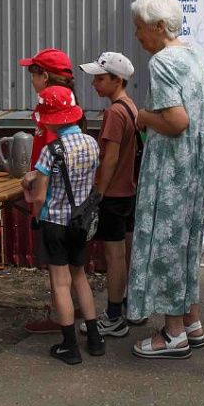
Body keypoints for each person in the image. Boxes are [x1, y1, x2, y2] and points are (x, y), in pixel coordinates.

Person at [126, 0, 204, 359]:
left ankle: (173, 333)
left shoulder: (161, 62)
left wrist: (143, 116)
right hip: (196, 164)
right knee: (187, 241)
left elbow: (176, 121)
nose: (137, 35)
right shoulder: (194, 55)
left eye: (140, 27)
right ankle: (192, 322)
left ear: (159, 26)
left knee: (164, 245)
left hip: (171, 167)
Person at [29, 85, 104, 364]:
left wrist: (36, 214)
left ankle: (70, 346)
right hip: (80, 222)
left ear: (50, 120)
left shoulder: (51, 151)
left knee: (61, 284)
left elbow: (40, 195)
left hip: (55, 222)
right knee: (80, 276)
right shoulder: (92, 143)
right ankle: (95, 339)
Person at [79, 51, 140, 337]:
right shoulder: (130, 106)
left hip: (114, 195)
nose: (94, 84)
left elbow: (111, 158)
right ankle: (130, 306)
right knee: (126, 253)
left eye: (100, 79)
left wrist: (98, 194)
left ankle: (114, 316)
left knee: (114, 256)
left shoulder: (115, 112)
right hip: (129, 191)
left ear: (118, 80)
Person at [19, 48, 79, 335]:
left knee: (58, 268)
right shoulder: (67, 100)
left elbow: (55, 156)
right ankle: (72, 310)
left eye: (33, 74)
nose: (31, 81)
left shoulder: (52, 108)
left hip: (53, 201)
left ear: (44, 76)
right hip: (69, 202)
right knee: (73, 267)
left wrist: (36, 192)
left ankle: (60, 316)